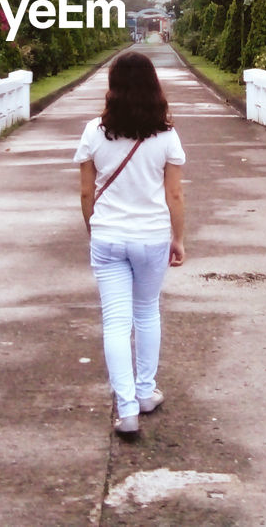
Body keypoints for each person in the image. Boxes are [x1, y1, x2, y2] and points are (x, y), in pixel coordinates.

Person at [74, 51, 186, 436]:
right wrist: (179, 239)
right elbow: (175, 197)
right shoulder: (167, 135)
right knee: (147, 313)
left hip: (108, 237)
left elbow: (86, 194)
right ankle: (144, 392)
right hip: (152, 236)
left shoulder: (93, 132)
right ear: (154, 87)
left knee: (115, 323)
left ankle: (127, 411)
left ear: (113, 88)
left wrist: (95, 231)